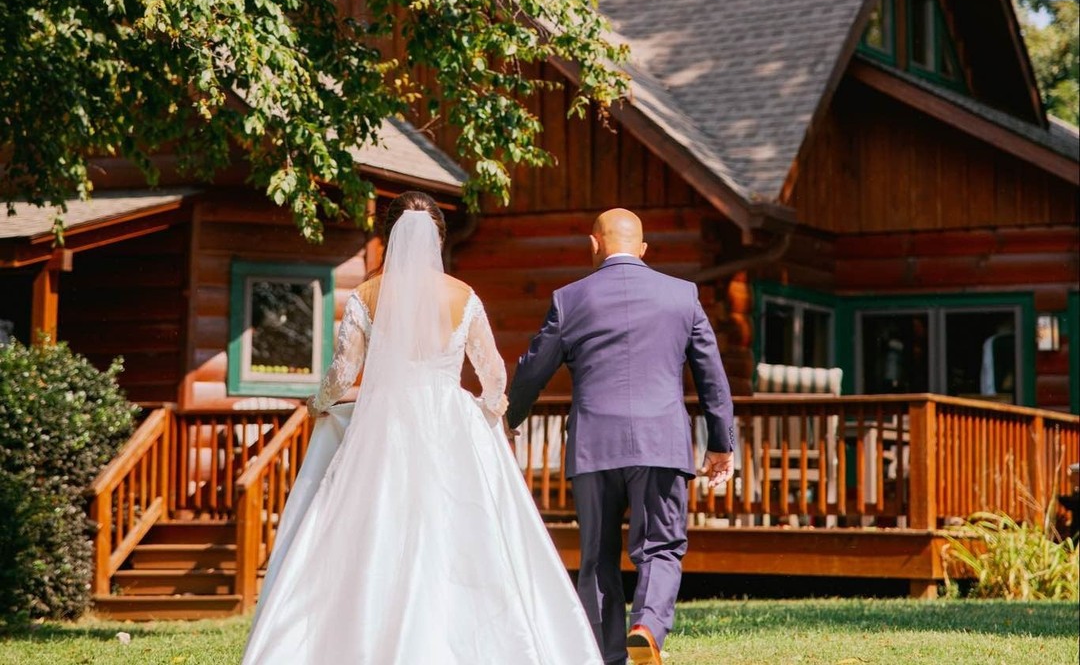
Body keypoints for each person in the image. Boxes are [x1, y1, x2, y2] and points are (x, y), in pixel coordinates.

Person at [242, 191, 602, 665]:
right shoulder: (463, 295)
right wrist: (489, 413)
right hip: (447, 422)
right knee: (458, 529)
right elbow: (492, 373)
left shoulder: (367, 294)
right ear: (437, 237)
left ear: (391, 236)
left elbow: (344, 371)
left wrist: (319, 402)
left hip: (382, 425)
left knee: (375, 527)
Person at [507, 208, 736, 665]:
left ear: (594, 244)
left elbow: (534, 369)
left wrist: (511, 418)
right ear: (643, 249)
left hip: (594, 443)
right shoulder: (682, 295)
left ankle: (606, 654)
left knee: (596, 556)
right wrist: (720, 443)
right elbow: (712, 375)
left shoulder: (569, 299)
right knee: (662, 546)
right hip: (661, 441)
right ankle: (647, 627)